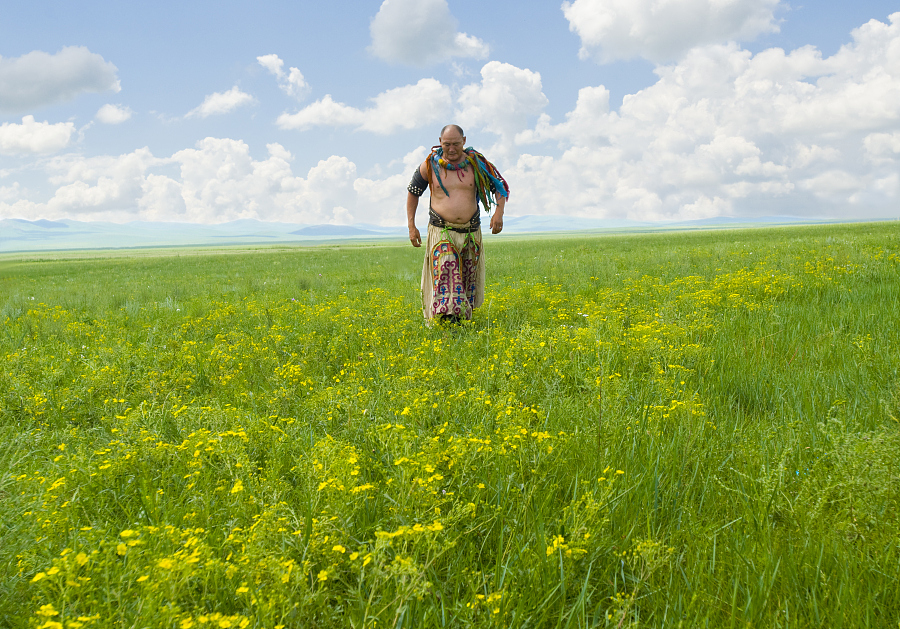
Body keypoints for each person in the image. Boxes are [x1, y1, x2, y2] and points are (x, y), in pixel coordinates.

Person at [406, 124, 509, 324]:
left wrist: (499, 213)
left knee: (467, 277)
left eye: (456, 144)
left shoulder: (477, 164)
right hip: (441, 230)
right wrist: (411, 226)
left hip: (471, 230)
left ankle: (462, 321)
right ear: (439, 142)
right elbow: (413, 192)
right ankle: (447, 322)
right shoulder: (429, 165)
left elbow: (500, 187)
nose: (451, 149)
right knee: (445, 271)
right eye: (447, 144)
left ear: (464, 141)